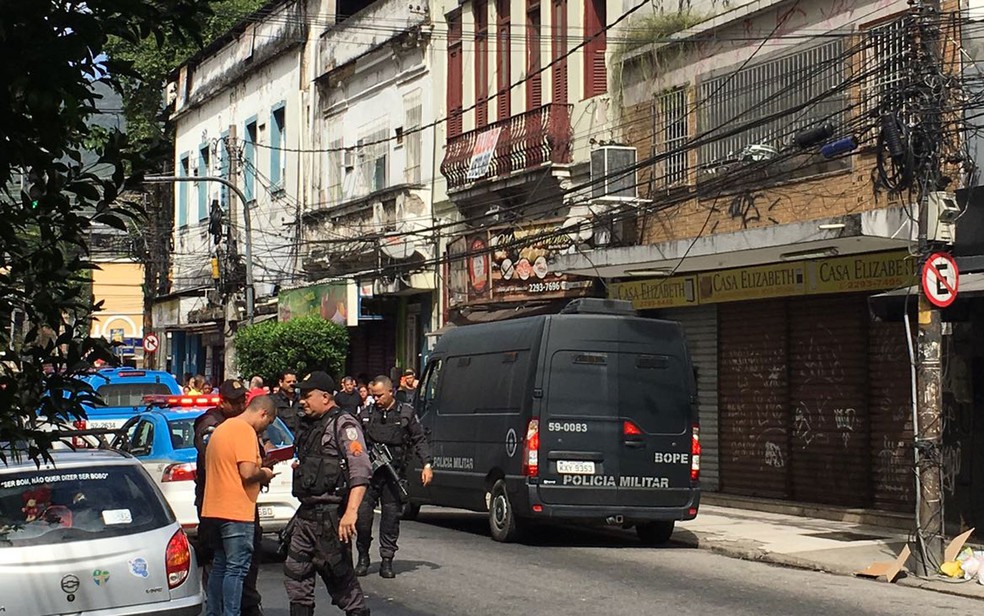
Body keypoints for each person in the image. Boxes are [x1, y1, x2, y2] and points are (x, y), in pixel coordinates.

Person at [283, 371, 372, 616]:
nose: (302, 400)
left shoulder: (343, 424)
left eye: (307, 395)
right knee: (296, 577)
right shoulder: (311, 425)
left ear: (325, 397)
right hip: (305, 516)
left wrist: (351, 513)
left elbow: (360, 470)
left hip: (330, 518)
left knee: (341, 581)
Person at [200, 395, 278, 616]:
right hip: (236, 511)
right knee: (236, 569)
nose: (265, 428)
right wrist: (266, 473)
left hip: (214, 508)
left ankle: (214, 612)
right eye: (268, 422)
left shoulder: (222, 429)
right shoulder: (244, 431)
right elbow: (247, 472)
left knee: (220, 566)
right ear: (263, 413)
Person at [355, 375, 433, 579]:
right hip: (370, 475)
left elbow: (419, 439)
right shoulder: (366, 414)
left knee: (390, 519)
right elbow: (354, 441)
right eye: (373, 396)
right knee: (362, 518)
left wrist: (427, 464)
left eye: (380, 395)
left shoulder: (405, 413)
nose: (376, 399)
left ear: (391, 392)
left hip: (393, 473)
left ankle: (387, 559)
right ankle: (363, 557)